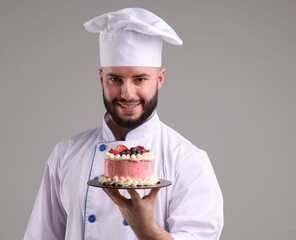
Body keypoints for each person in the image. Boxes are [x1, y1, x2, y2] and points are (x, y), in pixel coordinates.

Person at [24, 8, 223, 240]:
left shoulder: (187, 160)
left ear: (160, 79)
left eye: (140, 79)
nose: (127, 93)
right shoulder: (66, 153)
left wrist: (146, 230)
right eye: (115, 79)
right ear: (101, 78)